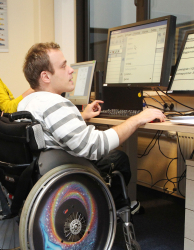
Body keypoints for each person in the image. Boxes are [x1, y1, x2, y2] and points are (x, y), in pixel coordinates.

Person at [19, 42, 166, 212]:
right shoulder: (55, 103)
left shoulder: (27, 103)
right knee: (119, 159)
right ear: (46, 76)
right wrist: (137, 119)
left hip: (41, 171)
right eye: (63, 65)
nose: (71, 70)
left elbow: (50, 129)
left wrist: (81, 116)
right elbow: (95, 147)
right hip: (67, 174)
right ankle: (113, 210)